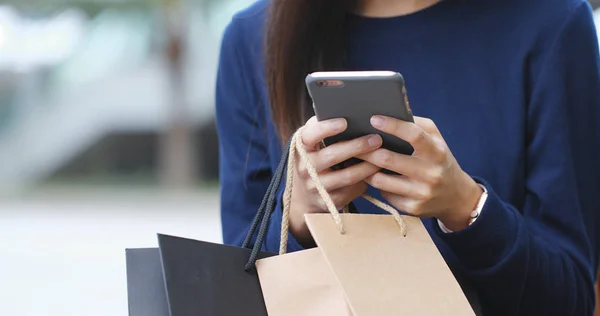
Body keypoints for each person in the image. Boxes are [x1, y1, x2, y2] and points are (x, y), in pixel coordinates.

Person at [215, 0, 600, 315]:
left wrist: (467, 208)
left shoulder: (553, 22)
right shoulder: (254, 39)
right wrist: (298, 215)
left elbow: (572, 299)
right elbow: (230, 288)